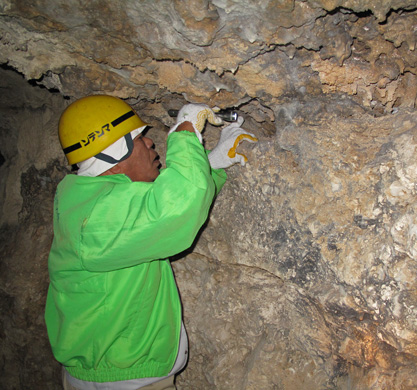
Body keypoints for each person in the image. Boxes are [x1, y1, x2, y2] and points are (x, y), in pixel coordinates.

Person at [44, 95, 257, 390]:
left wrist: (211, 164)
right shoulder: (96, 220)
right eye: (139, 139)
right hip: (123, 380)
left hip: (106, 374)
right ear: (113, 154)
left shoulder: (86, 199)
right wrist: (185, 130)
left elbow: (148, 209)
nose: (150, 144)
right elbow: (173, 208)